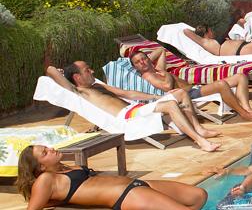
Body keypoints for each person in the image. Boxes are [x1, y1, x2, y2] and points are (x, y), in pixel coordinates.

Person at [16, 144, 235, 210]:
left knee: (199, 195)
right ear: (41, 167)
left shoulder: (65, 167)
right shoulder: (46, 180)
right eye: (45, 152)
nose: (52, 149)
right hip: (126, 197)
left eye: (47, 147)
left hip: (137, 184)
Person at [47, 62, 221, 152]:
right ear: (77, 77)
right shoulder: (80, 92)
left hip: (136, 109)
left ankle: (199, 130)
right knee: (169, 105)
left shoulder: (98, 86)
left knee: (180, 94)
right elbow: (50, 70)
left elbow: (128, 94)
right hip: (127, 117)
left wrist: (155, 97)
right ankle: (200, 142)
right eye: (86, 70)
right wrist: (60, 72)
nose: (92, 71)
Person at [128, 50, 252, 122]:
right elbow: (166, 86)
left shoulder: (156, 70)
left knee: (241, 76)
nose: (142, 62)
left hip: (194, 88)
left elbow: (160, 51)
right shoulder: (149, 76)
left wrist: (148, 63)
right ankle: (244, 114)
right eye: (138, 62)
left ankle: (248, 109)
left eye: (144, 59)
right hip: (188, 95)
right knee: (221, 84)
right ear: (135, 67)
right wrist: (164, 73)